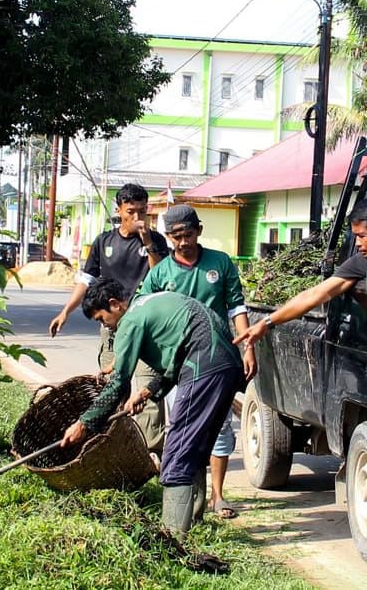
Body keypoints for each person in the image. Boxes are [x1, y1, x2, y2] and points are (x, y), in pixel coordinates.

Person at [60, 278, 243, 540]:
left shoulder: (131, 321)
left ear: (114, 304)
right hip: (227, 365)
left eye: (102, 319)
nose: (105, 326)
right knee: (196, 445)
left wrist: (84, 424)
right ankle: (195, 520)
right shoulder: (151, 304)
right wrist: (146, 393)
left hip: (205, 365)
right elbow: (174, 363)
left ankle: (173, 539)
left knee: (177, 450)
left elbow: (118, 383)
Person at [135, 204, 255, 521]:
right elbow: (141, 310)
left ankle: (216, 495)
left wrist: (247, 346)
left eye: (187, 235)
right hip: (180, 365)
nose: (183, 242)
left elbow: (236, 308)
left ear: (198, 231)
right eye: (176, 237)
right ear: (168, 237)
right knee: (186, 430)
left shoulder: (220, 263)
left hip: (216, 361)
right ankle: (189, 507)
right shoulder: (160, 273)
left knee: (218, 430)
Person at [49, 183, 171, 453]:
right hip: (113, 325)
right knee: (113, 385)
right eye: (131, 211)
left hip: (145, 326)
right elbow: (85, 281)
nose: (138, 217)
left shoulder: (156, 241)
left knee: (147, 390)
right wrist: (65, 311)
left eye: (142, 211)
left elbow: (161, 277)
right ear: (119, 210)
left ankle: (152, 452)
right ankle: (113, 446)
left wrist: (148, 241)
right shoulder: (104, 242)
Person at [234, 195, 367, 348]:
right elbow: (314, 295)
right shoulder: (361, 262)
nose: (358, 244)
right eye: (355, 237)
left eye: (362, 236)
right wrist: (266, 323)